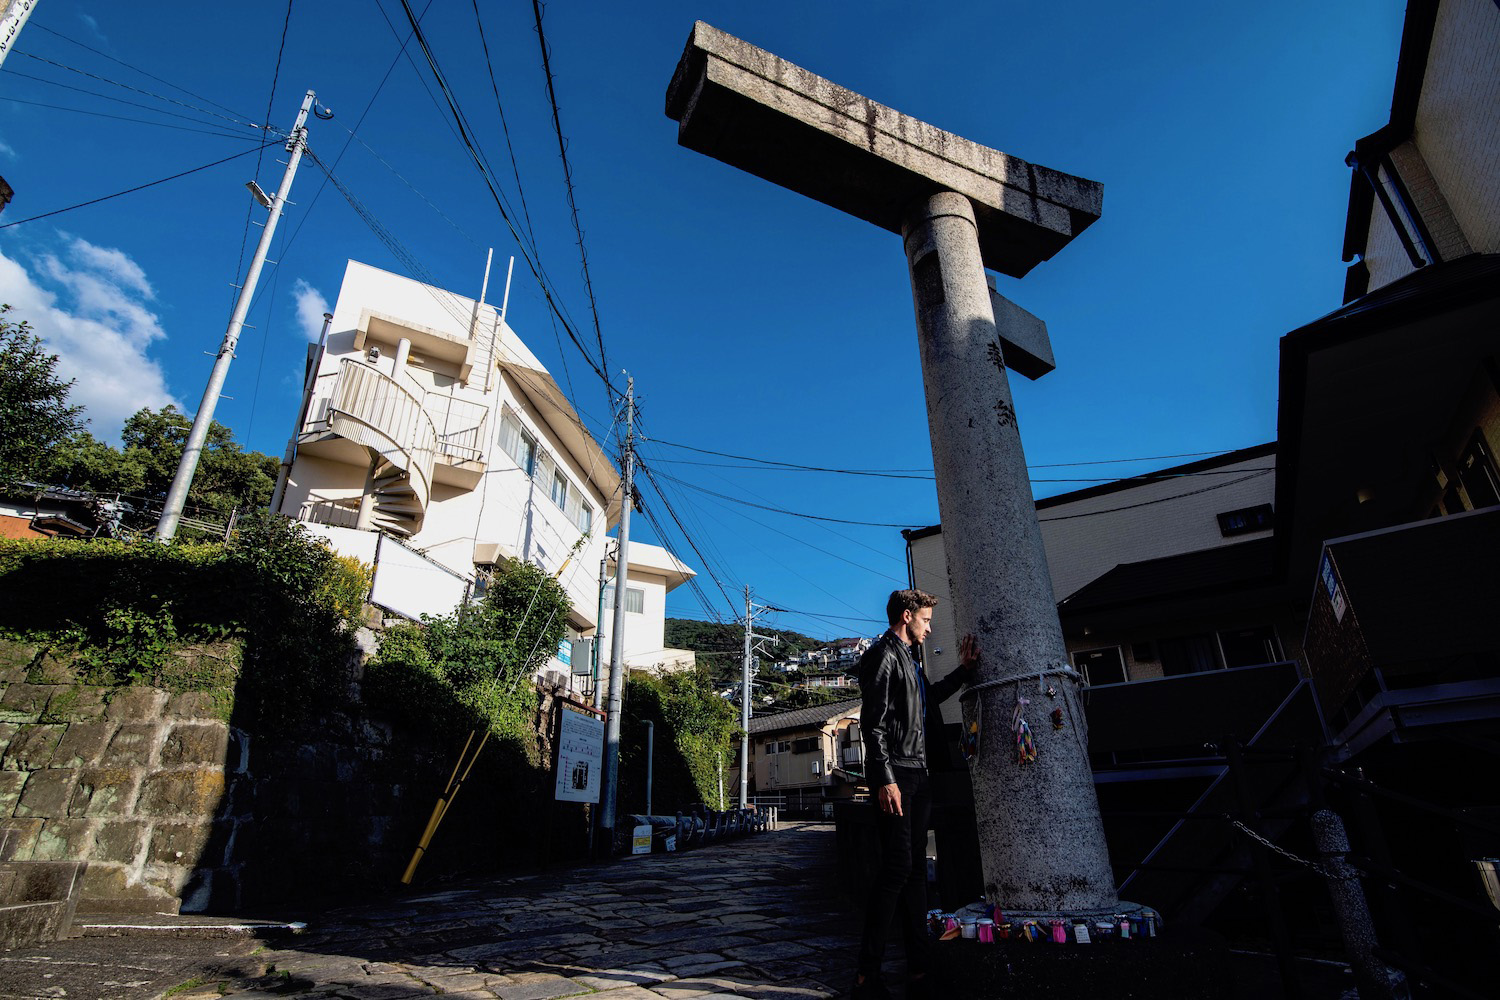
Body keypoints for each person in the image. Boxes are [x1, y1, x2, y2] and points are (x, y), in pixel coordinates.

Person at [854, 589, 979, 999]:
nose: (929, 628)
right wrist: (885, 778)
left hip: (919, 774)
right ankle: (866, 975)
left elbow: (928, 702)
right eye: (925, 620)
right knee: (894, 871)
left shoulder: (910, 660)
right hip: (898, 776)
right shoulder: (883, 655)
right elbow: (870, 725)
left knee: (913, 874)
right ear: (907, 616)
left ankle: (919, 969)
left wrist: (963, 671)